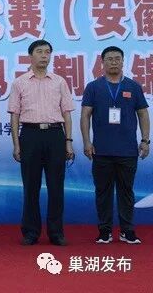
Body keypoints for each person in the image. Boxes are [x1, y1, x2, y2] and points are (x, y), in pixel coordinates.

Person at [8, 39, 75, 246]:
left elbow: (67, 113)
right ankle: (31, 232)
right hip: (30, 135)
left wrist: (68, 141)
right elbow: (14, 116)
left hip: (55, 135)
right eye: (39, 51)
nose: (44, 55)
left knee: (56, 187)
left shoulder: (59, 81)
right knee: (31, 187)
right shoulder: (19, 82)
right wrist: (16, 144)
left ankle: (56, 232)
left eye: (47, 52)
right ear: (31, 56)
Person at [81, 46, 149, 244]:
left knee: (126, 192)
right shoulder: (93, 87)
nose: (113, 62)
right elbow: (85, 115)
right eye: (109, 59)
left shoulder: (133, 87)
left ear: (122, 61)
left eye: (117, 58)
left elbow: (143, 114)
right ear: (102, 63)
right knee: (103, 192)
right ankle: (105, 231)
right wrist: (87, 142)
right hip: (101, 150)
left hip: (128, 151)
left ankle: (127, 231)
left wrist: (145, 140)